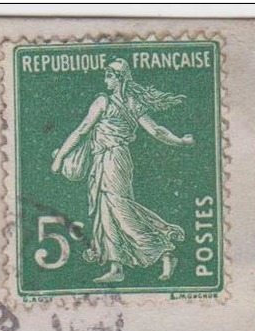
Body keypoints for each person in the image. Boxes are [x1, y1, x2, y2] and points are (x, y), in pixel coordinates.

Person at [50, 59, 195, 284]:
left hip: (113, 160)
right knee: (106, 211)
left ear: (119, 78)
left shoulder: (104, 101)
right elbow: (156, 131)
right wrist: (180, 141)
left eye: (109, 75)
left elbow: (81, 131)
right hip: (106, 160)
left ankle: (164, 250)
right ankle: (116, 267)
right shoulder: (131, 102)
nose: (105, 80)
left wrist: (59, 158)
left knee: (119, 209)